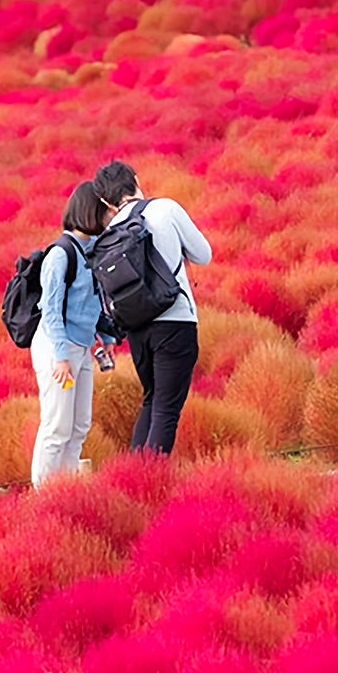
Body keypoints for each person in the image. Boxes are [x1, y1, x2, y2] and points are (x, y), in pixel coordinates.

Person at [93, 159, 211, 455]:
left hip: (137, 329)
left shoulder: (110, 232)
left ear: (107, 201)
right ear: (135, 179)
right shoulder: (165, 209)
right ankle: (151, 479)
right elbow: (204, 254)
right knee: (166, 410)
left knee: (152, 400)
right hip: (175, 321)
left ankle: (135, 477)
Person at [30, 181, 116, 487]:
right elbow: (51, 311)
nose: (110, 216)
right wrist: (62, 357)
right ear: (91, 211)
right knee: (56, 427)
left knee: (79, 425)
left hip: (79, 348)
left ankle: (64, 489)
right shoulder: (61, 255)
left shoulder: (90, 252)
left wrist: (105, 341)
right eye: (106, 210)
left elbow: (93, 302)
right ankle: (45, 493)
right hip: (58, 349)